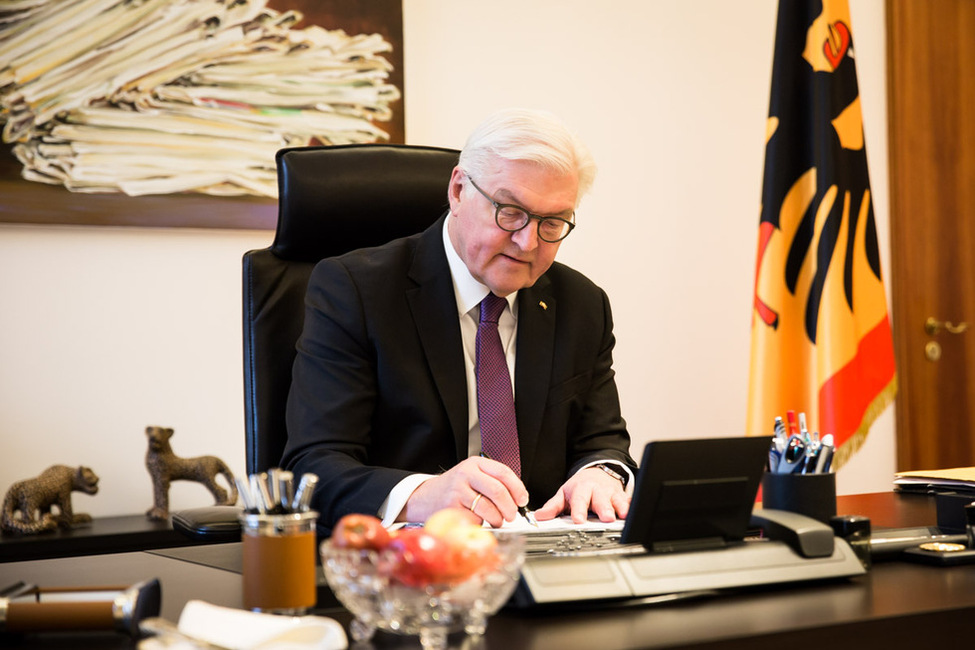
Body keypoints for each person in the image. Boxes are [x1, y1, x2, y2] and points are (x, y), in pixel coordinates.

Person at [283, 108, 636, 535]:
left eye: (553, 222)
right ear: (457, 189)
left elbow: (603, 441)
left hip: (541, 560)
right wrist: (424, 495)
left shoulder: (582, 304)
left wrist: (604, 475)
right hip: (403, 566)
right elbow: (314, 467)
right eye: (510, 211)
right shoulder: (355, 290)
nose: (528, 242)